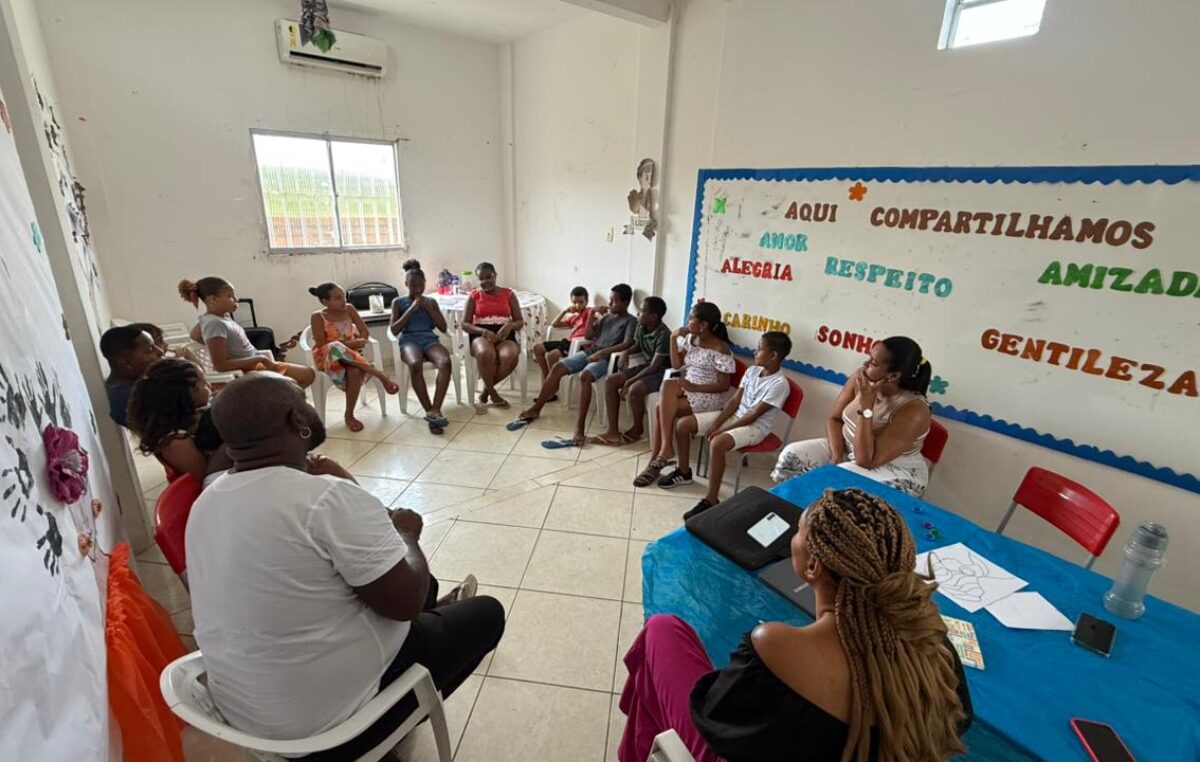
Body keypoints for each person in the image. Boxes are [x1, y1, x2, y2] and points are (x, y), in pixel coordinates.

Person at [186, 373, 504, 759]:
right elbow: (401, 604)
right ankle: (398, 721)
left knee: (420, 586)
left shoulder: (206, 501)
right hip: (327, 731)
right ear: (296, 422)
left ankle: (434, 616)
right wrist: (406, 533)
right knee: (485, 613)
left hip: (247, 719)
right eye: (304, 402)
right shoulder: (323, 500)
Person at [618, 488, 973, 762]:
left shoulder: (776, 644)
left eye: (799, 531)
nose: (793, 538)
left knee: (663, 630)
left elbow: (714, 719)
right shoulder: (934, 646)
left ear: (813, 567)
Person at [772, 336, 932, 497]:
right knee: (792, 454)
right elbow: (834, 419)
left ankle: (817, 517)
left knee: (838, 477)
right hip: (850, 450)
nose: (865, 365)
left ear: (893, 375)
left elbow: (867, 460)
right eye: (869, 358)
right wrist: (836, 454)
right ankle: (791, 506)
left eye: (874, 363)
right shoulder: (860, 378)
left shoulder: (914, 409)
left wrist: (866, 406)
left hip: (894, 469)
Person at [681, 332, 793, 518]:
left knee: (717, 443)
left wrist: (722, 429)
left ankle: (711, 499)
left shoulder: (780, 384)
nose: (754, 352)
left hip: (755, 428)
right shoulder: (752, 371)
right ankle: (683, 472)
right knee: (683, 425)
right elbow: (734, 402)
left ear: (773, 355)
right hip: (737, 418)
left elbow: (754, 414)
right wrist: (717, 422)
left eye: (759, 349)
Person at [511, 284, 637, 447]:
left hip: (607, 360)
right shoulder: (606, 317)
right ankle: (537, 407)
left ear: (625, 303)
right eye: (610, 300)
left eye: (614, 301)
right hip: (590, 352)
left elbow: (627, 344)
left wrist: (601, 354)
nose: (610, 303)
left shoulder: (630, 321)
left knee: (585, 376)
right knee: (558, 367)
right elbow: (589, 335)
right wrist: (592, 315)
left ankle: (580, 427)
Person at [634, 302, 735, 488]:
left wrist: (694, 387)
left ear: (703, 325)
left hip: (708, 395)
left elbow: (724, 385)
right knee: (667, 386)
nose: (687, 322)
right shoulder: (692, 340)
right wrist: (673, 339)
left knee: (660, 408)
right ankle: (664, 450)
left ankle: (657, 460)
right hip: (689, 388)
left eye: (691, 319)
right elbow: (676, 365)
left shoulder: (720, 349)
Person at [179, 277, 315, 388]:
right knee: (292, 387)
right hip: (246, 372)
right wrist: (260, 359)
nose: (236, 299)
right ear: (213, 299)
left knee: (308, 374)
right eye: (230, 296)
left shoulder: (219, 318)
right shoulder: (214, 323)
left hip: (257, 365)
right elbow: (220, 365)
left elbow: (194, 336)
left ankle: (279, 407)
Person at [308, 282, 401, 434]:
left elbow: (364, 333)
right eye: (338, 298)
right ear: (325, 301)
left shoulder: (350, 309)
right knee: (335, 346)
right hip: (327, 359)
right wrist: (351, 343)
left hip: (352, 358)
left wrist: (359, 341)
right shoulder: (318, 316)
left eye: (343, 296)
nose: (343, 300)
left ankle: (349, 415)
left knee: (354, 372)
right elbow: (322, 343)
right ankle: (380, 374)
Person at [126, 358, 230, 484]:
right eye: (203, 384)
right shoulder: (176, 443)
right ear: (186, 395)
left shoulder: (188, 416)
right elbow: (206, 480)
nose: (209, 386)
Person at [589, 296, 671, 446]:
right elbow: (638, 346)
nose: (638, 314)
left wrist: (630, 381)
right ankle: (612, 431)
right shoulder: (642, 326)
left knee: (635, 388)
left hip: (662, 371)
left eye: (642, 311)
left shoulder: (664, 335)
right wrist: (626, 352)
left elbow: (654, 366)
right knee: (611, 381)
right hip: (648, 365)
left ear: (653, 317)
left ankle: (637, 429)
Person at [390, 260, 453, 434]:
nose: (417, 288)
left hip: (429, 340)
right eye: (413, 285)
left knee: (445, 361)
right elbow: (394, 329)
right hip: (409, 341)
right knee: (415, 364)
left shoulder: (431, 301)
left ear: (425, 283)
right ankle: (429, 410)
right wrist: (411, 309)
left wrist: (428, 308)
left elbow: (442, 328)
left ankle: (436, 409)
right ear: (406, 284)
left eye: (420, 284)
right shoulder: (398, 302)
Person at [461, 262, 524, 412]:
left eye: (489, 277)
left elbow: (520, 321)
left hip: (504, 332)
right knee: (485, 353)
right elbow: (464, 324)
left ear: (495, 275)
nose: (485, 282)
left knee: (510, 356)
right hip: (481, 333)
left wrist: (509, 326)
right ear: (478, 280)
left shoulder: (508, 294)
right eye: (481, 279)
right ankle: (494, 394)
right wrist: (483, 332)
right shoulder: (474, 296)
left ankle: (487, 391)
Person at [100, 324, 164, 428]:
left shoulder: (138, 383)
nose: (160, 352)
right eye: (150, 349)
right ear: (126, 363)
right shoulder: (129, 399)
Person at [533, 286, 593, 390]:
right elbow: (554, 324)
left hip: (579, 346)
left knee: (551, 356)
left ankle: (551, 386)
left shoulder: (589, 312)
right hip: (567, 343)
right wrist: (565, 311)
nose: (577, 305)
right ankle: (549, 380)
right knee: (537, 348)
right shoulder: (574, 317)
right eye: (574, 302)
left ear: (586, 302)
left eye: (581, 302)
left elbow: (596, 316)